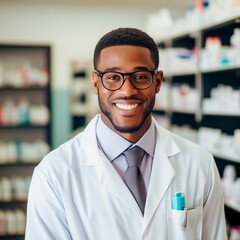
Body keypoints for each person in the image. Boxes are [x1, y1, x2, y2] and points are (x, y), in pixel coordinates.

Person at [25, 27, 227, 240]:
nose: (127, 90)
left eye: (140, 77)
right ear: (95, 83)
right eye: (113, 77)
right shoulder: (54, 174)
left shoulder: (199, 163)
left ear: (157, 82)